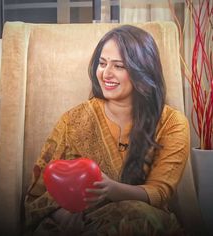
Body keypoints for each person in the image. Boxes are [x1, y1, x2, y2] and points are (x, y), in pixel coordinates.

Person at [24, 25, 190, 236]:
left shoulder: (172, 123)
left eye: (119, 66)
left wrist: (111, 189)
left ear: (143, 71)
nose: (106, 73)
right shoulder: (73, 120)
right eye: (102, 64)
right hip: (75, 222)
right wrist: (63, 215)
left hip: (140, 221)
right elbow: (38, 193)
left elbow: (160, 192)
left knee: (136, 216)